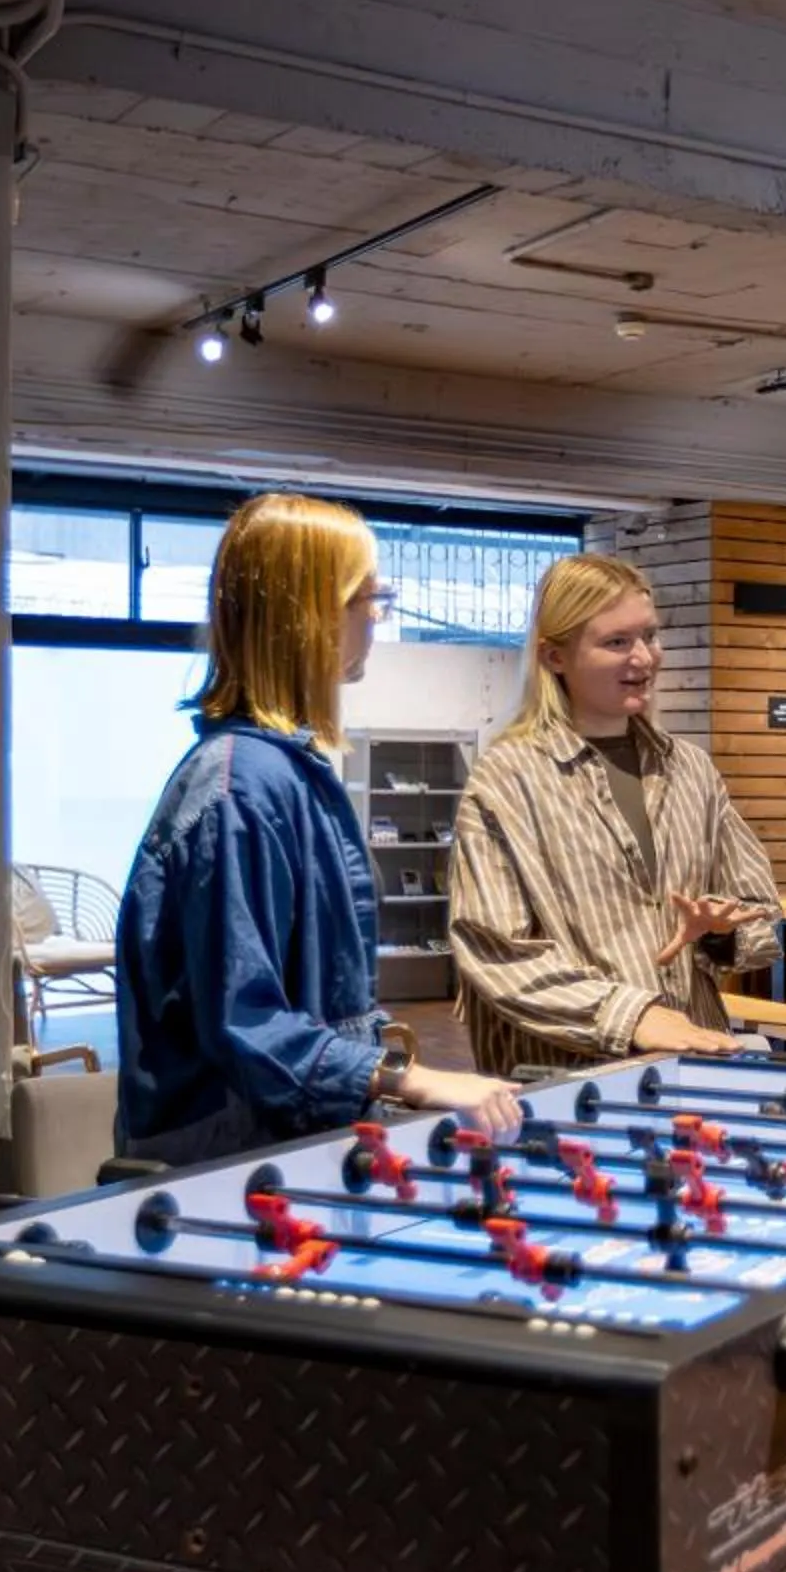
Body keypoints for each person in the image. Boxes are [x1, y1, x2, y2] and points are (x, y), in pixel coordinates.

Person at [115, 492, 522, 1164]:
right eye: (370, 598)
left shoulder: (274, 773)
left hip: (272, 1146)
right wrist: (410, 1080)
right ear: (311, 615)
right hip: (228, 1163)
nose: (377, 620)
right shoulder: (239, 787)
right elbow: (248, 1025)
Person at [449, 552, 782, 1074]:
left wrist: (718, 932)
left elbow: (760, 909)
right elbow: (496, 953)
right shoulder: (508, 779)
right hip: (568, 1084)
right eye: (617, 642)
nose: (645, 659)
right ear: (554, 656)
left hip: (696, 1068)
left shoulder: (690, 770)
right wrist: (632, 1016)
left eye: (650, 636)